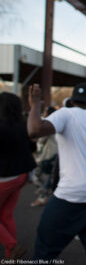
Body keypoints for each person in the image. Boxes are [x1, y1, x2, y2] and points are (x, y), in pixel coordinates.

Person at [28, 83, 86, 265]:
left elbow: (34, 130)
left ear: (73, 100)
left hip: (71, 194)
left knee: (44, 249)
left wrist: (35, 103)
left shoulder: (65, 114)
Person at [0, 92, 36, 259]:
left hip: (4, 177)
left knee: (5, 214)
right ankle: (10, 256)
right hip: (21, 175)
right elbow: (32, 148)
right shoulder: (23, 125)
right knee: (6, 214)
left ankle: (12, 247)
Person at [30, 106, 58, 207]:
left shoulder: (47, 124)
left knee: (36, 176)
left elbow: (40, 139)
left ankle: (43, 195)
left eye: (45, 111)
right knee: (51, 175)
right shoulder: (57, 123)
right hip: (56, 154)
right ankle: (45, 194)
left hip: (47, 155)